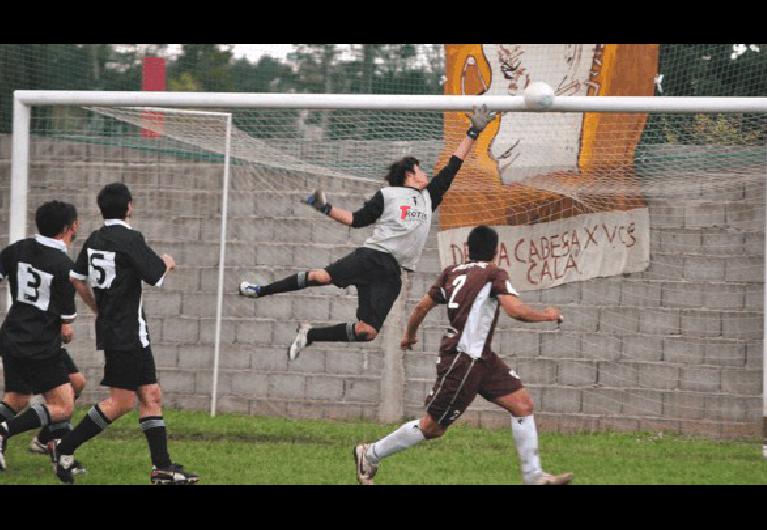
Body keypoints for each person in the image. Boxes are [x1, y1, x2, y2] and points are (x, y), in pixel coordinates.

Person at [239, 105, 497, 360]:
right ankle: (260, 290)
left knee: (368, 332)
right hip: (373, 256)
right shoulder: (387, 195)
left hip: (393, 273)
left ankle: (310, 335)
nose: (426, 173)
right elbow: (356, 220)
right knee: (322, 277)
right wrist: (325, 208)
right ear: (411, 174)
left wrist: (473, 131)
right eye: (421, 169)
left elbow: (453, 166)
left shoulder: (430, 197)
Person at [353, 225, 573, 485]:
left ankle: (534, 476)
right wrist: (547, 315)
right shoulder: (494, 273)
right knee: (432, 427)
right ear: (497, 251)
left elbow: (422, 306)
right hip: (464, 359)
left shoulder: (452, 272)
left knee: (522, 405)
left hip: (483, 359)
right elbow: (515, 310)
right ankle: (370, 453)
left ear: (467, 249)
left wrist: (409, 335)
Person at [50, 183, 198, 485]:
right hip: (126, 332)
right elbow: (156, 274)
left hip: (127, 332)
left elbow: (77, 279)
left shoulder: (94, 239)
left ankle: (162, 469)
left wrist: (97, 307)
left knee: (151, 395)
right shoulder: (130, 238)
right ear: (129, 206)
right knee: (121, 402)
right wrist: (168, 263)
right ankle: (63, 449)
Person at [0, 201, 83, 475]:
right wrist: (65, 328)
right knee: (63, 404)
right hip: (39, 344)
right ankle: (7, 432)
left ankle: (48, 442)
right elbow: (66, 325)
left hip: (13, 336)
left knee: (20, 397)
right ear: (68, 228)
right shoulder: (64, 267)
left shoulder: (18, 249)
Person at [28, 347, 86, 468]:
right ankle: (5, 431)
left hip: (53, 343)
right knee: (18, 400)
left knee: (77, 382)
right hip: (37, 345)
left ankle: (43, 440)